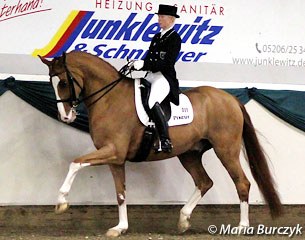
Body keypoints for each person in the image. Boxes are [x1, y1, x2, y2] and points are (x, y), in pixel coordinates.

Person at [131, 4, 181, 153]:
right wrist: (136, 64)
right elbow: (149, 57)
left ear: (171, 19)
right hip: (151, 75)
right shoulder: (157, 37)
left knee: (152, 101)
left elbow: (167, 63)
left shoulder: (174, 39)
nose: (159, 19)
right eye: (158, 16)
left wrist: (145, 64)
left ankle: (165, 139)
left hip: (164, 77)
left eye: (162, 16)